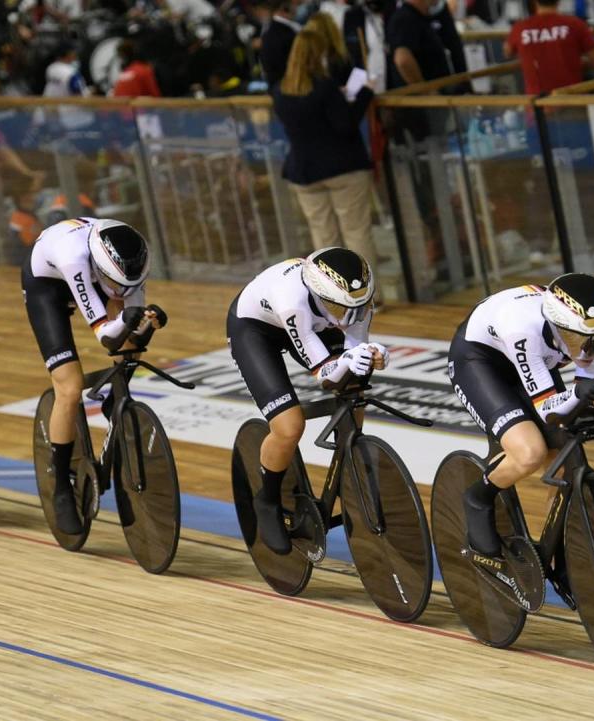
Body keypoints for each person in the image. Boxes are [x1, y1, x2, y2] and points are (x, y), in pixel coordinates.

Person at [448, 274, 594, 579]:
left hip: (533, 361)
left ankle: (559, 549)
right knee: (530, 452)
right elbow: (548, 409)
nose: (589, 350)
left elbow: (585, 388)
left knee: (562, 463)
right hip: (481, 360)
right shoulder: (523, 329)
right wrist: (577, 394)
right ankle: (478, 498)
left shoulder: (590, 330)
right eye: (578, 341)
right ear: (557, 326)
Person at [226, 247, 389, 554]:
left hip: (310, 324)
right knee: (289, 426)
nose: (348, 319)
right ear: (319, 294)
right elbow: (325, 374)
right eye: (338, 308)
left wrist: (371, 356)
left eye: (357, 308)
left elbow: (354, 350)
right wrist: (347, 360)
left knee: (354, 386)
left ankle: (349, 458)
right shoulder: (294, 303)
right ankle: (267, 500)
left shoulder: (354, 302)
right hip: (255, 330)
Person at [22, 218, 165, 534]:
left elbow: (131, 333)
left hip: (100, 275)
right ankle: (61, 485)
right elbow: (105, 336)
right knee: (70, 388)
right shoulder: (73, 257)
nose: (122, 293)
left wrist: (145, 326)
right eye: (118, 287)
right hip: (47, 285)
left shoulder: (134, 256)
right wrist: (129, 319)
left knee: (130, 336)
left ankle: (115, 397)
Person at [273, 25, 382, 301]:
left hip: (304, 171)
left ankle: (332, 298)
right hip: (342, 166)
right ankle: (365, 295)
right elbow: (344, 125)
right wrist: (365, 94)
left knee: (324, 238)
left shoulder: (280, 91)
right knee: (356, 232)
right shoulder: (325, 87)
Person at [505, 0, 594, 95]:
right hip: (572, 100)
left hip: (537, 106)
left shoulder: (520, 28)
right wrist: (577, 61)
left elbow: (507, 52)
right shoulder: (575, 25)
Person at [259, 0, 301, 89]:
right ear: (284, 8)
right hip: (290, 89)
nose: (297, 7)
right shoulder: (286, 34)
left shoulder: (270, 31)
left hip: (280, 89)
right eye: (293, 4)